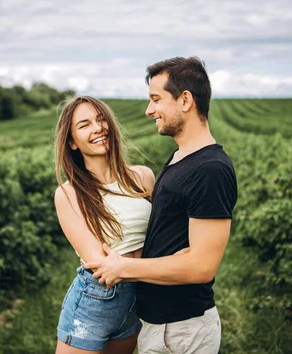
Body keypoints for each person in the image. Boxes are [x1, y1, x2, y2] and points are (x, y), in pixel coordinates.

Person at [84, 57, 237, 354]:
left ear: (185, 100)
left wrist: (125, 267)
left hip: (182, 329)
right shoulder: (181, 158)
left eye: (156, 99)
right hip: (161, 325)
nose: (148, 110)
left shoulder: (211, 169)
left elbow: (201, 267)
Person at [54, 96, 155, 353]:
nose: (97, 128)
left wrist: (131, 264)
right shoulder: (69, 194)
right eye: (84, 125)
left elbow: (161, 238)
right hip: (95, 302)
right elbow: (101, 265)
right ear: (72, 143)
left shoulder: (142, 177)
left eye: (100, 119)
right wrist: (154, 266)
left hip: (139, 300)